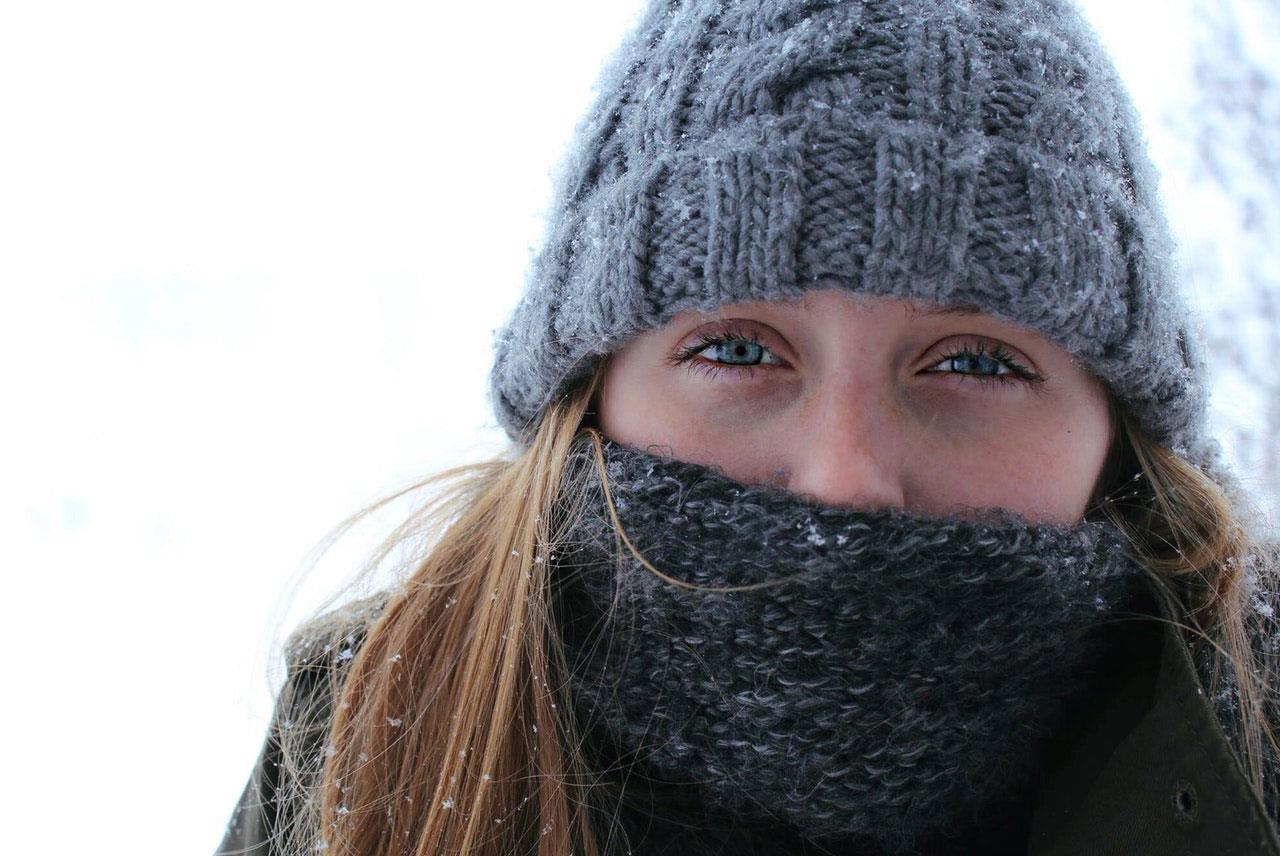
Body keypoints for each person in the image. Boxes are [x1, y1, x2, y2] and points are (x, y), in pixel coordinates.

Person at [216, 1, 1280, 854]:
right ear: (588, 390)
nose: (843, 478)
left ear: (1117, 425)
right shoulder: (375, 736)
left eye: (973, 361)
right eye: (735, 349)